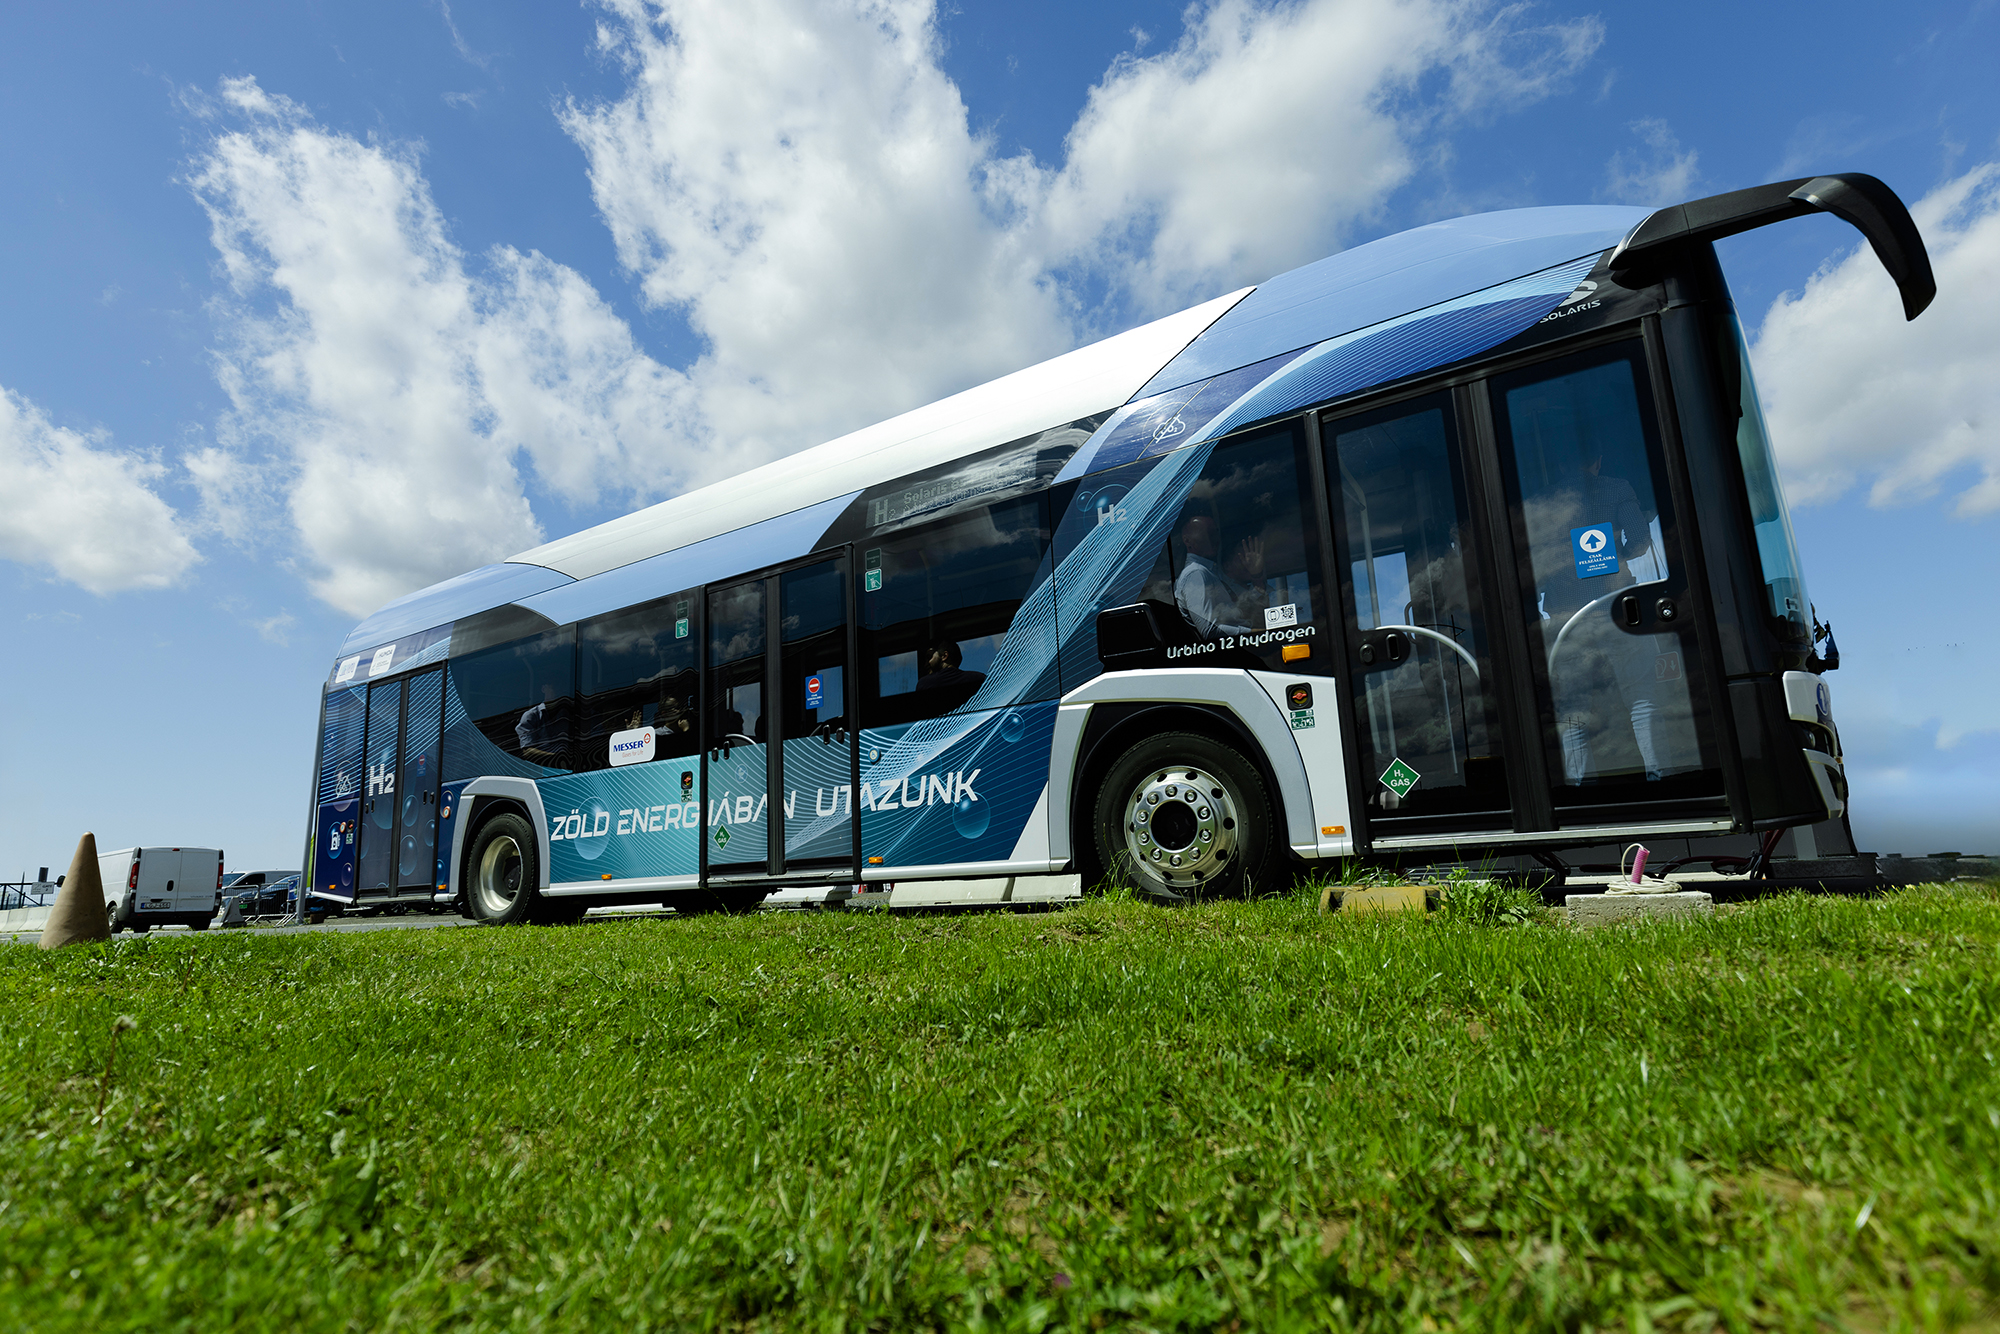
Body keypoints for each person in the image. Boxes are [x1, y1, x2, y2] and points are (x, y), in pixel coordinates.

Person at [1173, 511, 1267, 637]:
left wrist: (1256, 575)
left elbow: (1244, 608)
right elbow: (1210, 631)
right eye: (1206, 533)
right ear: (1187, 541)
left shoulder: (1213, 573)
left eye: (1215, 532)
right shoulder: (1196, 574)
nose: (1214, 538)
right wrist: (1257, 635)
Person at [913, 640, 985, 713]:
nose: (927, 663)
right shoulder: (979, 678)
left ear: (944, 656)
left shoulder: (925, 683)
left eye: (930, 657)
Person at [515, 683, 569, 766]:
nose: (557, 692)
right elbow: (527, 751)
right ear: (543, 689)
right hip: (543, 768)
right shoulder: (532, 716)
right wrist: (556, 757)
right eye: (553, 687)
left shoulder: (567, 715)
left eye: (560, 689)